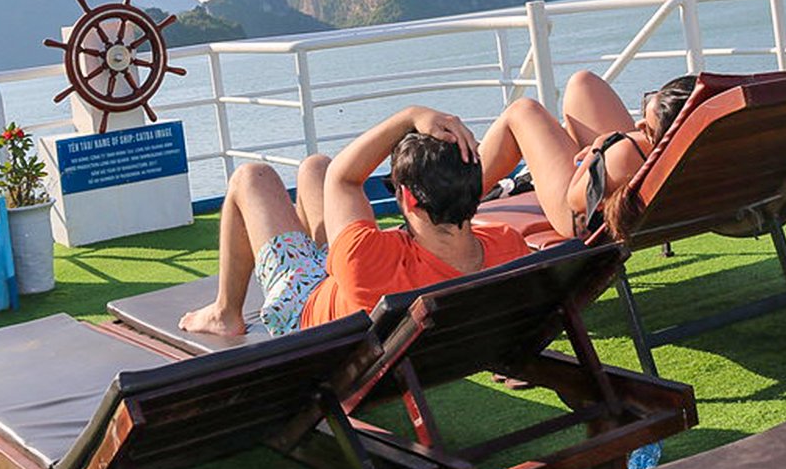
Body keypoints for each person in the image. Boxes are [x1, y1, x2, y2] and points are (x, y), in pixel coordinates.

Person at [179, 105, 533, 337]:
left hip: (305, 307)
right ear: (475, 189)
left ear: (407, 198)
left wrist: (410, 116)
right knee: (315, 166)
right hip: (352, 290)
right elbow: (333, 176)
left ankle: (225, 313)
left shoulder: (367, 257)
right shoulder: (507, 244)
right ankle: (308, 254)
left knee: (251, 177)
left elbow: (344, 178)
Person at [478, 71, 697, 241]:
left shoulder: (624, 154)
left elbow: (575, 199)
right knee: (584, 83)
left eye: (648, 129)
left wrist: (599, 147)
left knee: (523, 111)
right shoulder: (701, 144)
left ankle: (454, 198)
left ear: (666, 137)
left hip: (582, 218)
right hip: (649, 185)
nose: (638, 125)